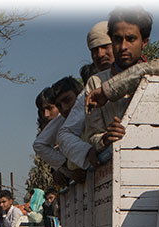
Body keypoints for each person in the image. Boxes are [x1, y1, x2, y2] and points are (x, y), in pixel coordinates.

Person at [82, 7, 154, 163]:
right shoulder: (95, 83)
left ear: (144, 42)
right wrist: (106, 138)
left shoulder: (157, 75)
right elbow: (92, 135)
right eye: (117, 39)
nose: (123, 47)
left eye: (131, 39)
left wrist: (107, 91)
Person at [54, 21, 117, 181]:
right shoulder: (92, 86)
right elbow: (65, 134)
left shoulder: (147, 73)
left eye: (105, 46)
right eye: (94, 50)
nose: (100, 54)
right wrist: (88, 152)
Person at [32, 76, 84, 180]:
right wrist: (67, 168)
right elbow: (39, 145)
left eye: (50, 108)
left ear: (80, 95)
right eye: (59, 105)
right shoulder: (62, 123)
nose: (46, 115)